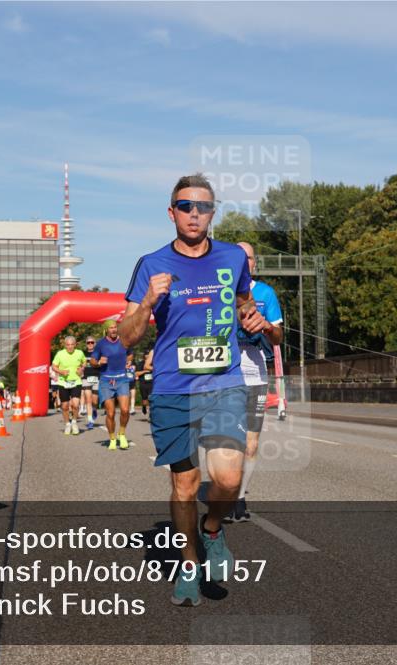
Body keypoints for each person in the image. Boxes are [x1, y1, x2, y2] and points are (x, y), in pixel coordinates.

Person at [118, 173, 272, 607]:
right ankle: (189, 562)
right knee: (184, 486)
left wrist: (251, 318)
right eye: (185, 206)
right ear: (172, 213)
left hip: (222, 382)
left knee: (227, 478)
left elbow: (244, 302)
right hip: (172, 388)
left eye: (202, 206)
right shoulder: (150, 264)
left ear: (212, 213)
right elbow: (126, 336)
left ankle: (212, 530)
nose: (194, 213)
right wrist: (147, 303)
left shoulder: (231, 258)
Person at [227, 242, 284, 523]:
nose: (241, 261)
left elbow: (278, 337)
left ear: (254, 263)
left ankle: (238, 497)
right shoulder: (219, 291)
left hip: (256, 374)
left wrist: (267, 326)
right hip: (224, 374)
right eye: (236, 257)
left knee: (250, 443)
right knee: (226, 439)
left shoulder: (265, 293)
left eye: (246, 258)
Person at [90, 322, 132, 450]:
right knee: (111, 413)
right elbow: (92, 361)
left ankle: (122, 434)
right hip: (106, 381)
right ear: (106, 330)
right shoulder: (101, 344)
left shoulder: (124, 340)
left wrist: (129, 361)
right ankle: (112, 438)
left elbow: (130, 354)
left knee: (125, 410)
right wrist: (98, 363)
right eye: (111, 328)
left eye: (115, 327)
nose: (114, 330)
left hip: (122, 379)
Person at [51, 336, 86, 435]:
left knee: (75, 404)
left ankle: (74, 422)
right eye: (68, 345)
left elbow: (84, 361)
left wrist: (82, 369)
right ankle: (67, 424)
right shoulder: (60, 354)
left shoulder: (79, 353)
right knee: (65, 406)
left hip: (76, 381)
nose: (70, 347)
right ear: (65, 345)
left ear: (75, 345)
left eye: (72, 344)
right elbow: (54, 366)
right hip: (63, 382)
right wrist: (61, 371)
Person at [80, 336, 100, 430]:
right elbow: (79, 364)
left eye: (92, 342)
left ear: (95, 343)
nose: (90, 344)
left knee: (94, 400)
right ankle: (90, 420)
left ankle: (95, 409)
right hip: (86, 378)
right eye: (88, 343)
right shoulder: (82, 353)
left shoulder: (98, 353)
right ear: (86, 344)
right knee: (88, 399)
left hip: (97, 377)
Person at [136, 348, 155, 417]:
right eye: (146, 354)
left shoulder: (153, 363)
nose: (147, 356)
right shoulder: (141, 363)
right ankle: (144, 406)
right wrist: (144, 371)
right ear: (144, 355)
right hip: (143, 384)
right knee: (144, 400)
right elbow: (136, 374)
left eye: (148, 354)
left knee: (151, 398)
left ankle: (151, 413)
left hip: (151, 383)